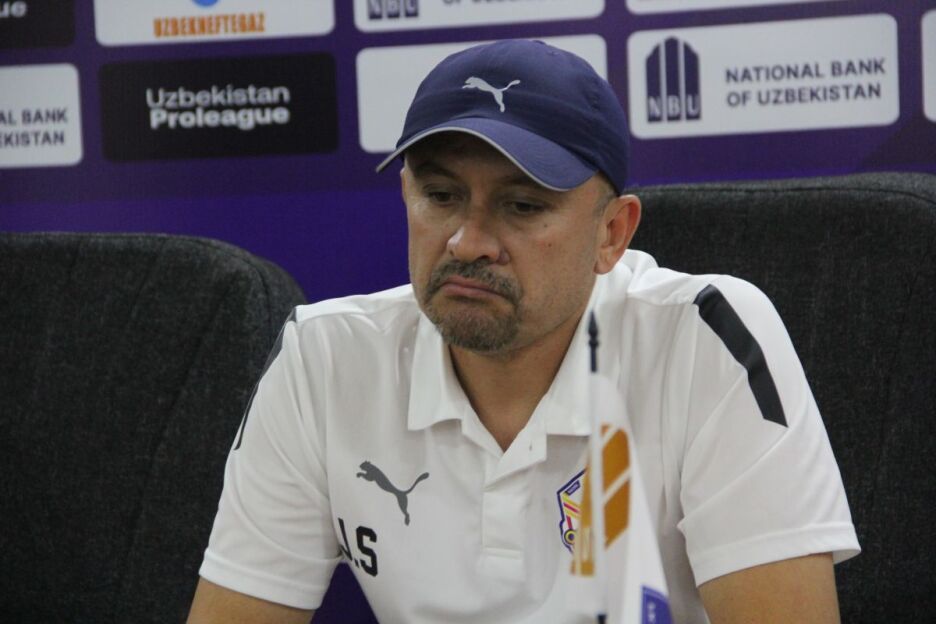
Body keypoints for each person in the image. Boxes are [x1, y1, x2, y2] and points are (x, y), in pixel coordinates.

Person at [187, 39, 859, 623]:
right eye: (441, 196)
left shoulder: (706, 341)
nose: (468, 241)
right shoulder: (324, 358)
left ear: (611, 233)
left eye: (522, 205)